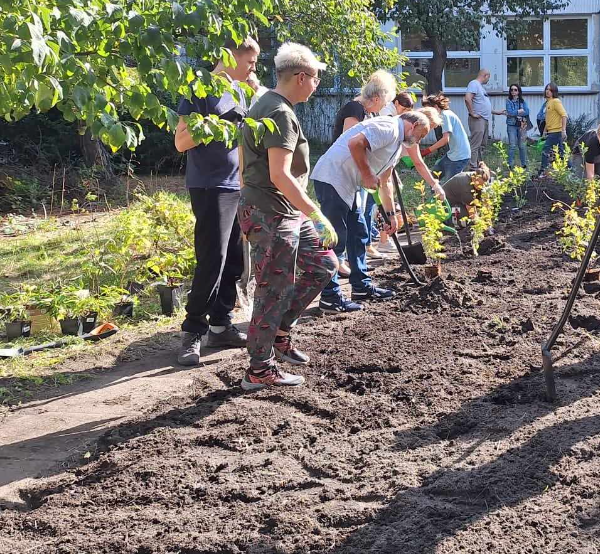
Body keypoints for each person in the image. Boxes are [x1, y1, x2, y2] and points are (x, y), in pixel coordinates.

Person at [238, 42, 339, 390]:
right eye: (315, 78)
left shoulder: (265, 103)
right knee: (272, 289)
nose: (317, 85)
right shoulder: (279, 113)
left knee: (323, 265)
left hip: (281, 210)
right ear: (300, 76)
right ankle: (259, 370)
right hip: (271, 214)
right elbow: (280, 174)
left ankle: (280, 333)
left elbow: (244, 163)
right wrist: (317, 212)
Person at [171, 38, 258, 366]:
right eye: (250, 62)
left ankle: (220, 324)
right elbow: (181, 142)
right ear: (230, 57)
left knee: (234, 258)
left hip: (235, 185)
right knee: (213, 258)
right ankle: (193, 330)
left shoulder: (238, 91)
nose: (253, 69)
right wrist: (218, 123)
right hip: (209, 186)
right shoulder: (200, 89)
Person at [311, 108, 441, 312]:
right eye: (421, 135)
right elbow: (355, 143)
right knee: (336, 239)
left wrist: (390, 215)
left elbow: (385, 181)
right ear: (413, 125)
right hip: (333, 179)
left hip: (349, 186)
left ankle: (361, 286)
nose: (419, 141)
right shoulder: (388, 127)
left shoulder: (397, 144)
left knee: (359, 234)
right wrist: (367, 173)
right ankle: (330, 297)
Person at [332, 71, 398, 265]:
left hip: (354, 174)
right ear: (376, 98)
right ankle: (339, 261)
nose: (384, 107)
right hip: (342, 173)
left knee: (356, 217)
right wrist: (367, 172)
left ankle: (349, 260)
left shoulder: (365, 111)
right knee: (344, 218)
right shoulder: (355, 109)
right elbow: (349, 142)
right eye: (385, 102)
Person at [419, 94, 471, 181]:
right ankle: (434, 193)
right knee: (434, 176)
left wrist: (426, 151)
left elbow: (445, 140)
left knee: (450, 185)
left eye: (428, 110)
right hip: (452, 154)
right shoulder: (445, 114)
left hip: (460, 156)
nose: (427, 113)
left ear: (435, 107)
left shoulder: (445, 115)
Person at [494, 84, 530, 169]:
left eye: (515, 90)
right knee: (512, 145)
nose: (513, 91)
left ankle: (524, 164)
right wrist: (519, 111)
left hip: (521, 125)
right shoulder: (508, 101)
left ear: (518, 91)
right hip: (511, 126)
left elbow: (527, 112)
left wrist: (515, 113)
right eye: (512, 90)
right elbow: (509, 113)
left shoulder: (522, 101)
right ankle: (510, 165)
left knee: (522, 146)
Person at [538, 82, 568, 176]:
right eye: (547, 89)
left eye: (550, 90)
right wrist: (544, 131)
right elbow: (548, 118)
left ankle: (542, 171)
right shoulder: (548, 103)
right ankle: (571, 170)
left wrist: (563, 130)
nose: (548, 91)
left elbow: (564, 115)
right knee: (561, 153)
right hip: (551, 132)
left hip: (556, 132)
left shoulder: (556, 101)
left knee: (545, 150)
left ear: (554, 91)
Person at [465, 69, 493, 167]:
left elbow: (482, 104)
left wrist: (496, 112)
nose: (488, 80)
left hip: (484, 119)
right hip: (477, 120)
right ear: (486, 75)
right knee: (475, 144)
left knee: (482, 144)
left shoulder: (480, 87)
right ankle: (473, 167)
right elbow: (468, 99)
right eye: (488, 78)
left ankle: (479, 165)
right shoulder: (474, 84)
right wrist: (472, 113)